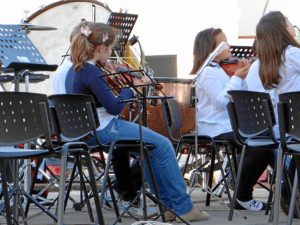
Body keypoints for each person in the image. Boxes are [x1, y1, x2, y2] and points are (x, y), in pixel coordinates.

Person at [65, 20, 209, 222]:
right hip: (104, 128)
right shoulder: (93, 73)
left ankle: (170, 207)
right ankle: (183, 207)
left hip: (86, 130)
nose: (111, 54)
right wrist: (132, 87)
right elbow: (114, 107)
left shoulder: (76, 70)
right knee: (164, 145)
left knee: (149, 150)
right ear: (101, 48)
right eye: (110, 49)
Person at [191, 27, 274, 211]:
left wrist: (244, 75)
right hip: (215, 127)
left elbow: (241, 94)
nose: (230, 48)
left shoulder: (222, 70)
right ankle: (243, 196)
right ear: (212, 49)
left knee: (268, 141)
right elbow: (222, 101)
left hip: (230, 124)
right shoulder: (206, 73)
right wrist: (237, 76)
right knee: (257, 144)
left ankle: (285, 191)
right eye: (224, 44)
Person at [245, 11, 300, 216]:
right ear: (282, 30)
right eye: (289, 23)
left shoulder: (267, 62)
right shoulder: (292, 54)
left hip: (283, 129)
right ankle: (288, 189)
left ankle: (289, 189)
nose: (293, 26)